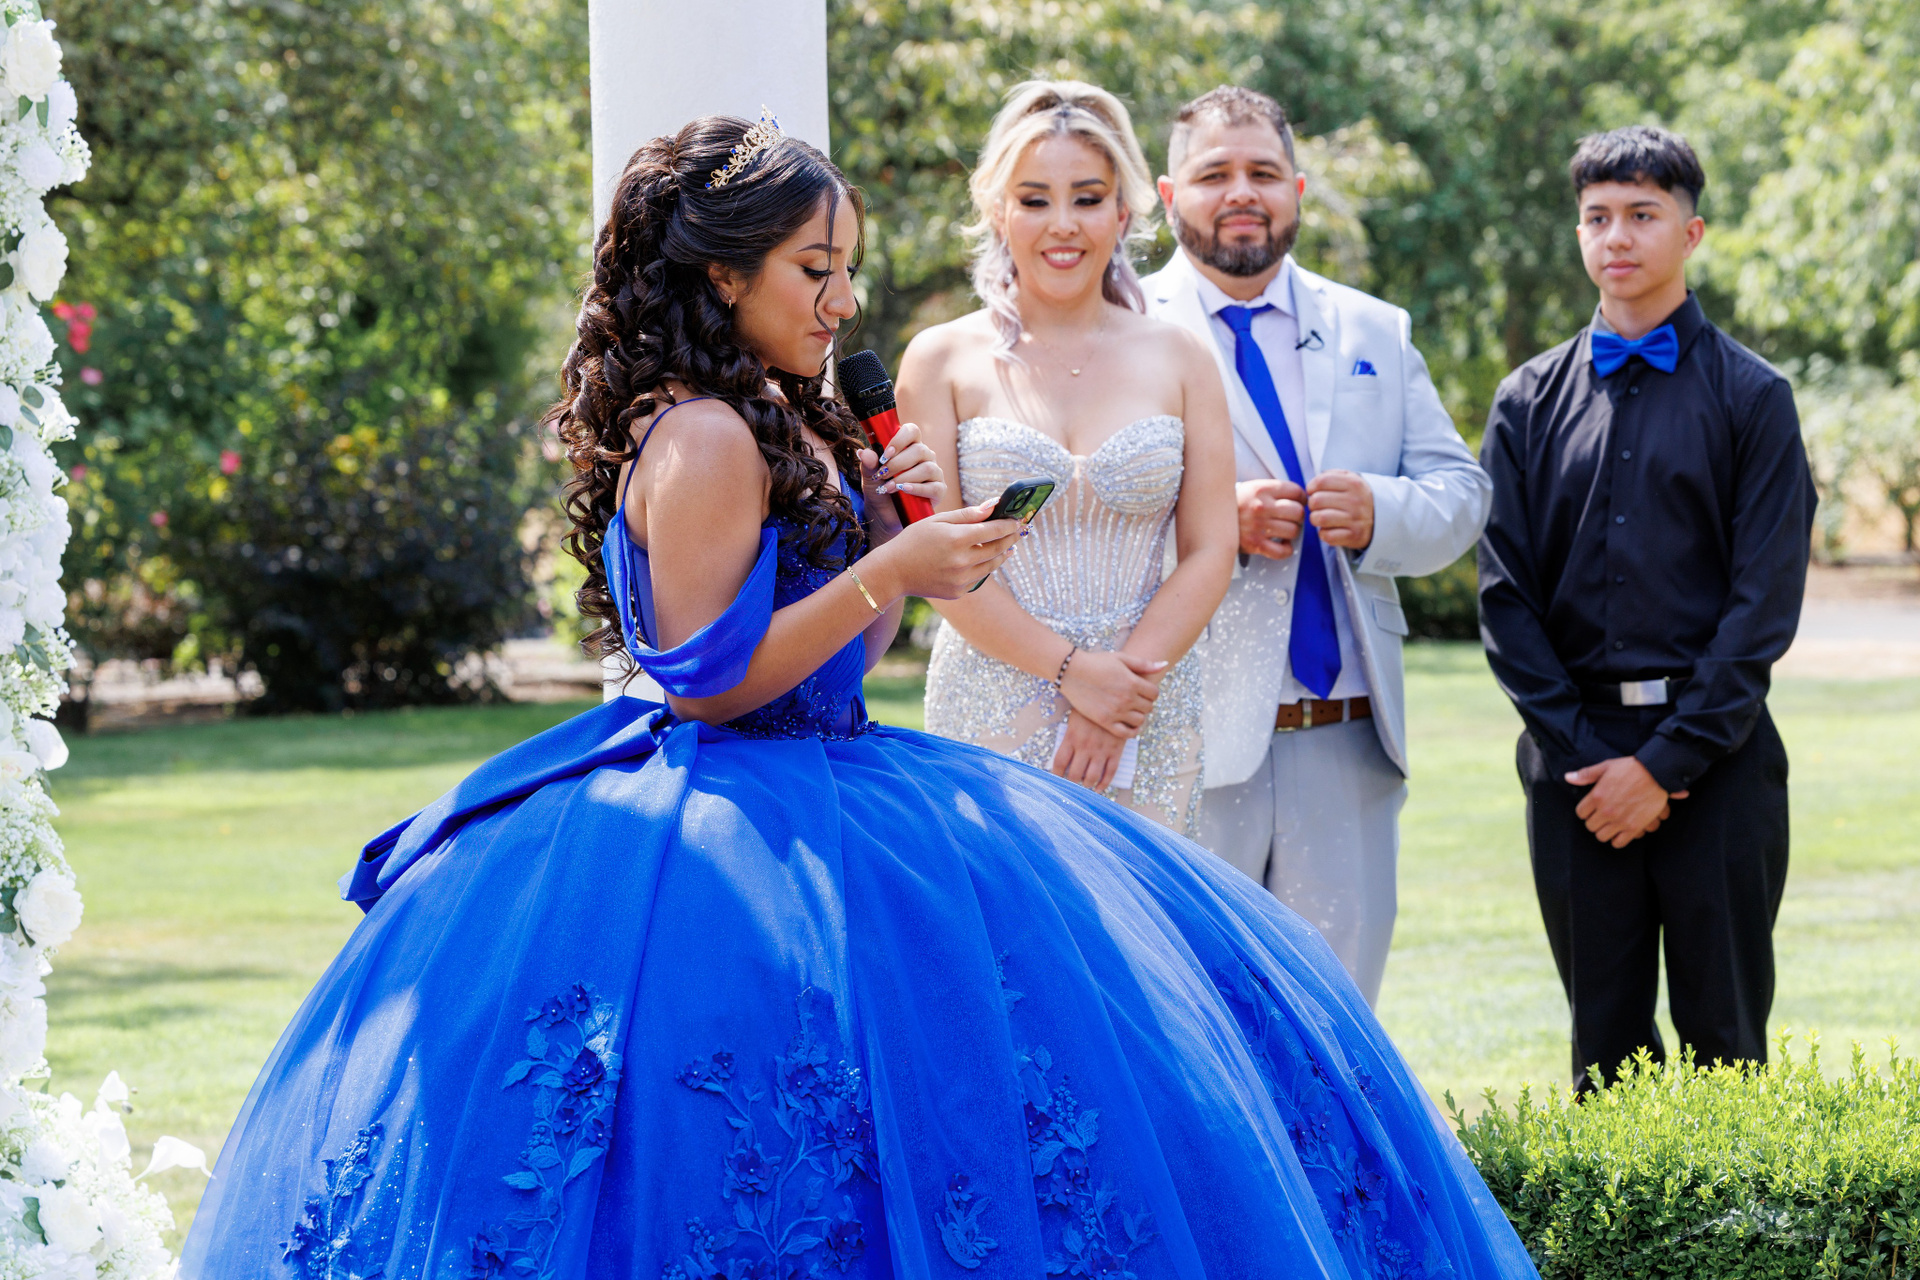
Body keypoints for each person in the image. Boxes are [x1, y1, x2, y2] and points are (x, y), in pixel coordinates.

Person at [182, 112, 1540, 1279]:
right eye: (813, 270)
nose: (841, 302)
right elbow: (710, 683)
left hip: (845, 768)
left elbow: (844, 645)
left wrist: (887, 542)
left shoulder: (776, 413)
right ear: (723, 274)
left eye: (849, 270)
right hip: (728, 804)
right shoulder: (704, 434)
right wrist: (887, 564)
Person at [1477, 125, 1815, 1091]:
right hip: (1573, 770)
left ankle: (1738, 1204)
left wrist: (1665, 765)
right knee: (1605, 1051)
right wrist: (1591, 758)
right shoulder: (1525, 402)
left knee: (1729, 1045)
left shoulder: (1755, 399)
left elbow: (1762, 605)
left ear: (1691, 232)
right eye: (1597, 217)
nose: (1616, 236)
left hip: (1721, 763)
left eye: (1642, 214)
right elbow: (1504, 595)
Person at [1143, 87, 1491, 1006]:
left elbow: (1462, 494)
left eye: (1263, 172)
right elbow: (1082, 525)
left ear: (1296, 190)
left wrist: (1380, 512)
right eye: (1215, 174)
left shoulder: (1376, 329)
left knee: (1341, 1027)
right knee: (1198, 1018)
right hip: (1188, 733)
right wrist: (1212, 521)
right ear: (1170, 195)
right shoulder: (1124, 328)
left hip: (1348, 737)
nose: (1241, 192)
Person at [901, 81, 1237, 837]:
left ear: (1123, 212)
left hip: (1147, 705)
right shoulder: (940, 360)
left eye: (1087, 199)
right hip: (991, 697)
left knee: (1144, 910)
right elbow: (936, 560)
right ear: (998, 210)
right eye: (1034, 200)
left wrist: (1119, 693)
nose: (1063, 224)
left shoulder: (1182, 357)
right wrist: (1072, 670)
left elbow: (1212, 549)